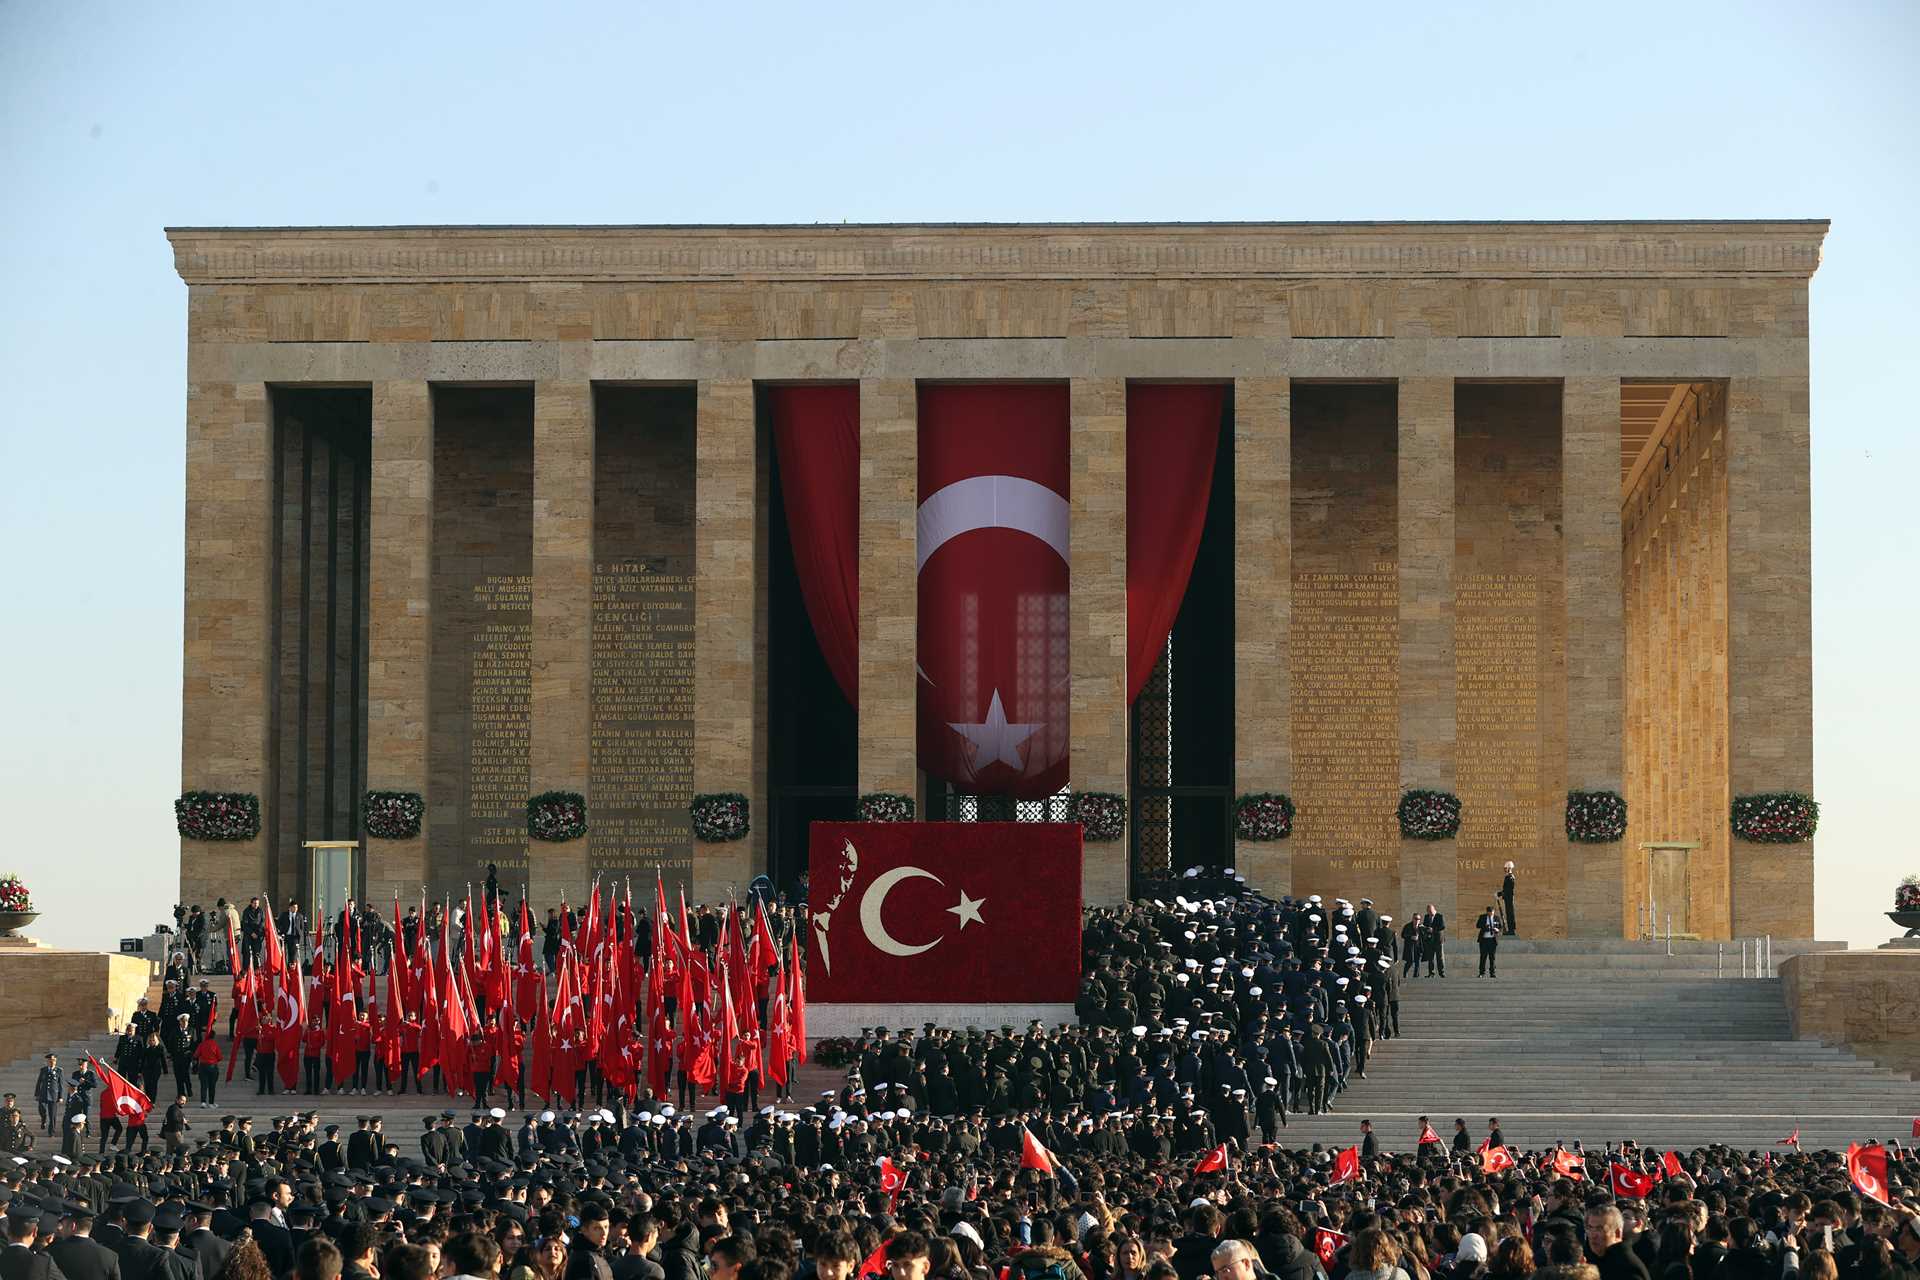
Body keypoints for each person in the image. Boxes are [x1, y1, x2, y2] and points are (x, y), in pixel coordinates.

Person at [1475, 903, 1502, 978]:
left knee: (1492, 957)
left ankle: (1492, 973)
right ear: (1487, 912)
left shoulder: (1497, 918)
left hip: (1492, 940)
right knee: (1483, 957)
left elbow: (1500, 927)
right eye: (1489, 913)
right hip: (1484, 940)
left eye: (1492, 913)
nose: (1490, 914)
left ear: (1493, 911)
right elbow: (1477, 925)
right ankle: (1482, 973)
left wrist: (1497, 930)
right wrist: (1485, 927)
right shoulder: (1482, 917)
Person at [1421, 905, 1446, 978]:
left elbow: (1442, 926)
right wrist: (1424, 928)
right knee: (1430, 957)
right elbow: (1425, 925)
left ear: (1434, 910)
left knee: (1440, 957)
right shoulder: (1426, 916)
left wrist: (1433, 930)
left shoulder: (1439, 916)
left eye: (1431, 911)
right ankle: (1431, 973)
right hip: (1430, 940)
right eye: (1428, 912)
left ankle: (1442, 973)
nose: (1430, 913)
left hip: (1438, 940)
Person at [1501, 862, 1518, 937]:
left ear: (1509, 868)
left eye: (1505, 868)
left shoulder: (1510, 877)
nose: (1504, 870)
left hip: (1509, 898)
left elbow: (1508, 889)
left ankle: (1511, 930)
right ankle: (1510, 930)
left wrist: (1500, 893)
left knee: (1510, 914)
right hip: (1508, 898)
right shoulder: (1508, 877)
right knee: (1509, 913)